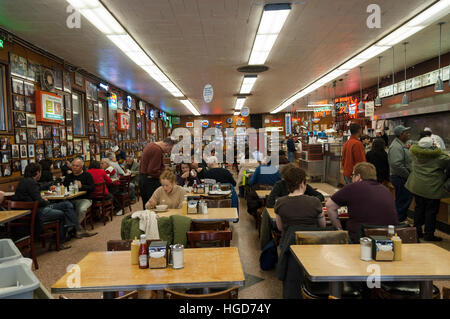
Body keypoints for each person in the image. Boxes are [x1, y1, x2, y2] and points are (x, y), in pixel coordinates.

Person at [11, 163, 82, 249]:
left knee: (67, 204)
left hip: (32, 210)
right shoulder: (31, 183)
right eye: (40, 172)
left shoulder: (24, 181)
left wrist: (46, 192)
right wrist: (46, 200)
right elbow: (39, 202)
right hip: (36, 212)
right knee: (62, 213)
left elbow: (38, 190)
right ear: (37, 173)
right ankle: (60, 241)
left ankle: (76, 228)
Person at [326, 162, 398, 243]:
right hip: (388, 239)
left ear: (358, 177)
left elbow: (329, 206)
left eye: (352, 175)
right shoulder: (386, 190)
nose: (351, 178)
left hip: (360, 239)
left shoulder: (352, 187)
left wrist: (339, 229)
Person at [405, 137, 450, 241]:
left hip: (417, 186)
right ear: (432, 146)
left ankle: (417, 231)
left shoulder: (414, 154)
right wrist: (438, 150)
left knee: (419, 208)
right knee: (431, 211)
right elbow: (447, 161)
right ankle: (429, 234)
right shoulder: (439, 158)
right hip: (432, 188)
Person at [274, 166, 326, 234]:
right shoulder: (315, 201)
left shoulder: (279, 202)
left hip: (288, 241)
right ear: (302, 184)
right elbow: (323, 226)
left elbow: (280, 228)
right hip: (311, 241)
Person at [139, 137, 176, 210]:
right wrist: (166, 175)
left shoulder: (151, 145)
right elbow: (153, 170)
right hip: (150, 182)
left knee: (147, 206)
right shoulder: (157, 150)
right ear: (166, 144)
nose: (169, 152)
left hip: (143, 179)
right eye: (170, 149)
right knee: (153, 206)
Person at [62, 158, 97, 232]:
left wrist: (82, 186)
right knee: (63, 209)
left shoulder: (87, 175)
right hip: (71, 199)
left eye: (77, 166)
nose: (74, 167)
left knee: (82, 209)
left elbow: (92, 188)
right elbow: (64, 187)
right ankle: (73, 228)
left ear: (81, 167)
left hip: (85, 198)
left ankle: (72, 229)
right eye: (73, 165)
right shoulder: (68, 176)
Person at [388, 125, 412, 222]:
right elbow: (396, 164)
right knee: (402, 201)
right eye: (406, 133)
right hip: (400, 178)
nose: (408, 134)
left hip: (401, 177)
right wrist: (408, 175)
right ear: (401, 134)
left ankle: (398, 220)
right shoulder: (396, 146)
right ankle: (398, 222)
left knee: (402, 200)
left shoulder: (401, 144)